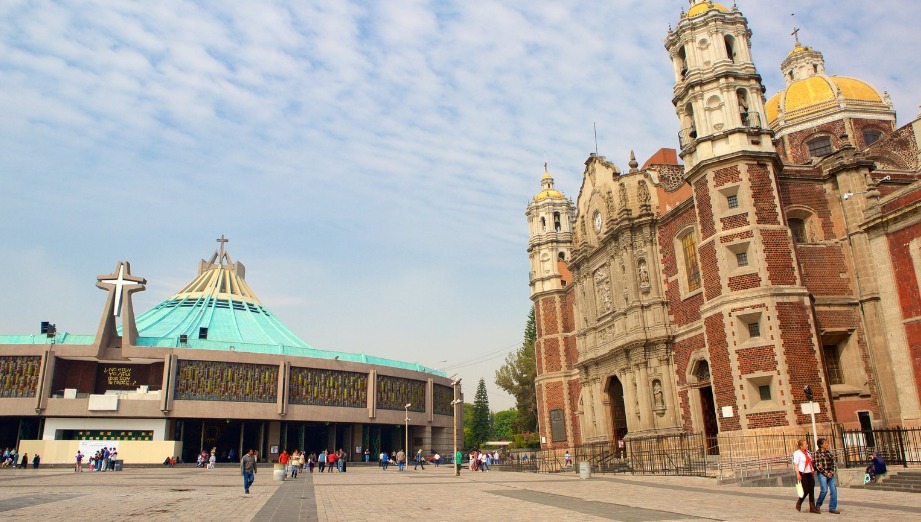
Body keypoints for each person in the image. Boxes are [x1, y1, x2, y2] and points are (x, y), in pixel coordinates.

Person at [793, 439, 819, 514]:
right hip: (802, 473)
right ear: (801, 446)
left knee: (811, 489)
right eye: (805, 444)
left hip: (809, 472)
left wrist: (812, 470)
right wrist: (798, 474)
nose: (807, 445)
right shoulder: (797, 453)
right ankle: (800, 501)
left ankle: (812, 506)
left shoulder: (808, 452)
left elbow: (810, 462)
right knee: (806, 489)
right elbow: (796, 464)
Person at [814, 438, 840, 514]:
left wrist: (831, 472)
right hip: (822, 474)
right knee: (824, 490)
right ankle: (818, 504)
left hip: (830, 473)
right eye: (824, 443)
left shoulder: (829, 453)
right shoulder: (817, 453)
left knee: (834, 490)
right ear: (821, 445)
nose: (826, 445)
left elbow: (834, 463)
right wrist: (826, 474)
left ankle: (832, 507)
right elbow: (818, 466)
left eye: (826, 443)